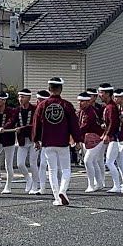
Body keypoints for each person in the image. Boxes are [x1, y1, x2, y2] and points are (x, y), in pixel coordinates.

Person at [31, 77, 83, 206]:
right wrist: (77, 140)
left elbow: (36, 123)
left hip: (47, 142)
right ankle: (63, 190)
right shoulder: (67, 105)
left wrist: (36, 139)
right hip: (62, 142)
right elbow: (74, 125)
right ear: (61, 89)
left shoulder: (42, 105)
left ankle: (57, 198)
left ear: (49, 89)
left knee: (52, 170)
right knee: (66, 169)